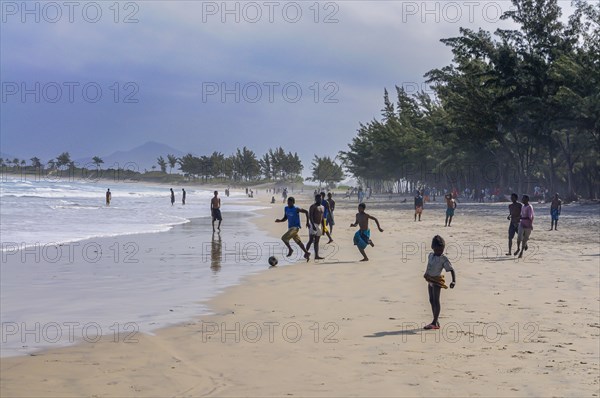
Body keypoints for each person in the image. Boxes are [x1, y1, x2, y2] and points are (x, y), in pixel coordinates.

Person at [423, 235, 456, 330]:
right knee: (431, 300)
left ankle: (434, 322)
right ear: (432, 248)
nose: (439, 252)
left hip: (437, 280)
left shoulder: (443, 259)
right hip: (430, 279)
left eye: (441, 250)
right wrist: (426, 273)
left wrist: (453, 281)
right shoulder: (430, 255)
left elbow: (451, 270)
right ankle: (436, 320)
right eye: (437, 250)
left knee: (436, 300)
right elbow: (429, 266)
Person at [514, 194, 534, 259]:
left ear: (527, 200)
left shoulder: (529, 207)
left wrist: (521, 218)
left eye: (523, 199)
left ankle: (521, 251)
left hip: (528, 225)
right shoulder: (523, 206)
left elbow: (529, 217)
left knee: (525, 239)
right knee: (519, 236)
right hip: (522, 223)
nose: (522, 200)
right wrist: (519, 218)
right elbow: (521, 215)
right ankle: (518, 248)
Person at [306, 195, 325, 260]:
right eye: (318, 199)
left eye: (320, 199)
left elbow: (322, 218)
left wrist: (324, 227)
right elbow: (310, 216)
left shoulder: (322, 207)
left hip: (319, 225)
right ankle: (306, 253)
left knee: (317, 241)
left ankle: (316, 255)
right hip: (313, 224)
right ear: (316, 199)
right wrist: (313, 226)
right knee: (311, 240)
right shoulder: (313, 206)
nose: (319, 200)